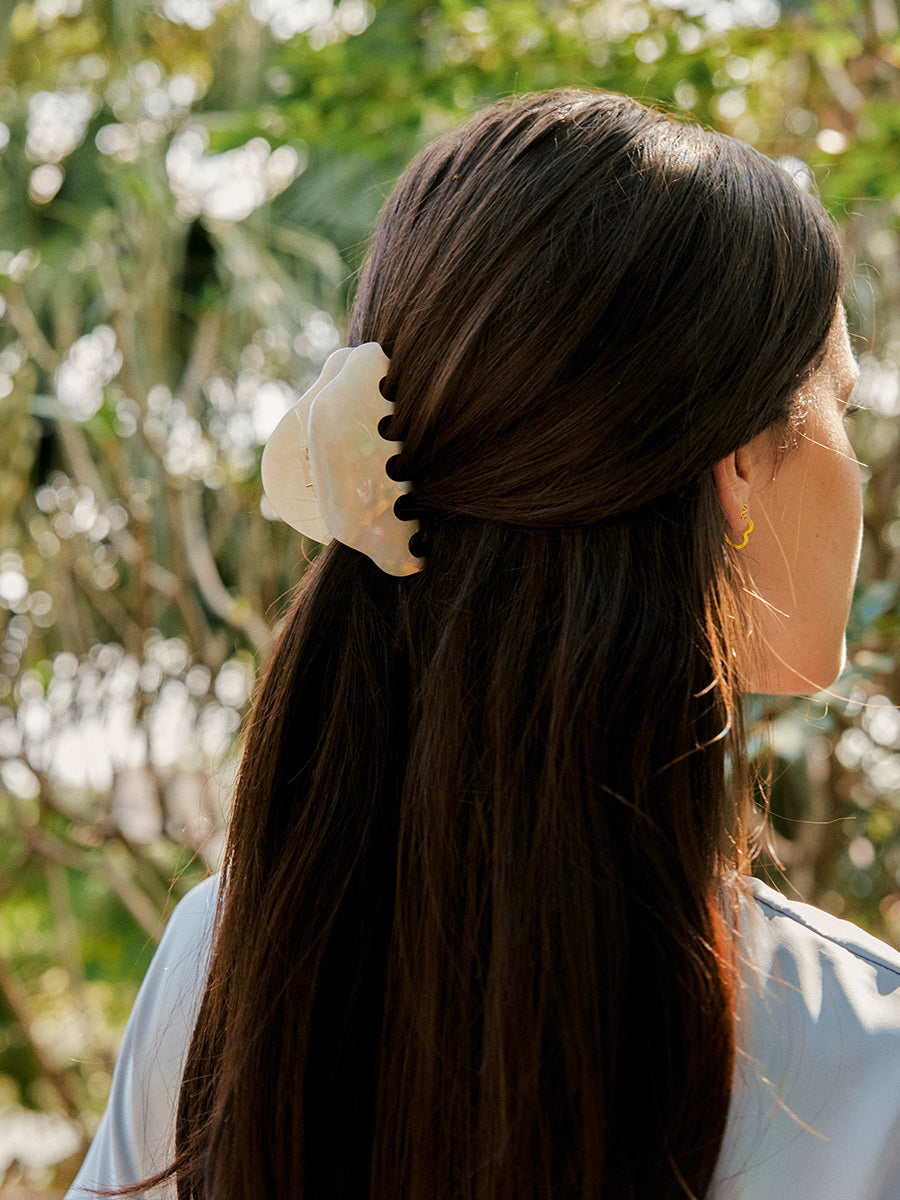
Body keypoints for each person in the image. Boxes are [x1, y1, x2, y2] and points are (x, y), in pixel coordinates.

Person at [66, 89, 900, 1200]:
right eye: (843, 404)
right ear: (738, 463)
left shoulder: (225, 963)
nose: (862, 461)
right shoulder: (865, 1059)